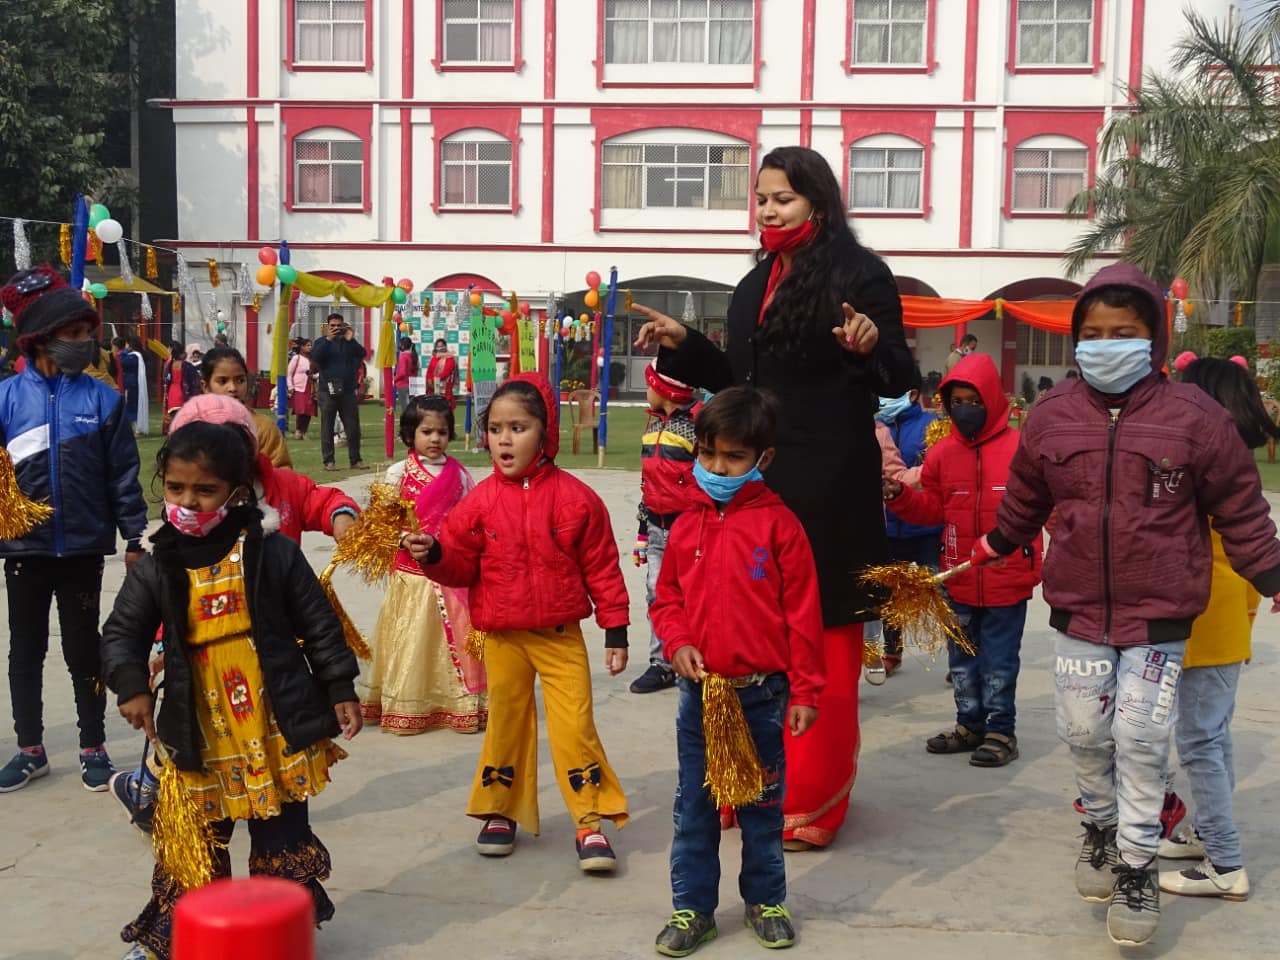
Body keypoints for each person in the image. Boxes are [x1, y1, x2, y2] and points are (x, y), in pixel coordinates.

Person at [978, 263, 1280, 946]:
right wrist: (999, 541)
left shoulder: (1196, 419)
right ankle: (1100, 826)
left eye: (1124, 332)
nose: (1106, 344)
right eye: (1093, 333)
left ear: (1154, 337)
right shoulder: (1052, 415)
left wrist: (1271, 574)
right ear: (1076, 338)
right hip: (1079, 610)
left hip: (1160, 615)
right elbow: (1026, 494)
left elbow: (1240, 506)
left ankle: (1137, 866)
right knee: (1085, 732)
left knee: (1142, 740)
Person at [634, 145, 913, 850]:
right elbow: (739, 376)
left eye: (782, 198)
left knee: (820, 638)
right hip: (753, 481)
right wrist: (684, 343)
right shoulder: (754, 281)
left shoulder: (860, 273)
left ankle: (811, 800)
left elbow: (898, 372)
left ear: (818, 202)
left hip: (827, 485)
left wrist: (868, 344)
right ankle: (742, 784)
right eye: (760, 199)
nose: (768, 210)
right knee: (742, 631)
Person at [101, 421, 362, 960]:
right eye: (176, 488)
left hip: (273, 725)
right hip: (196, 726)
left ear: (236, 491)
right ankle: (176, 938)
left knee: (281, 837)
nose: (187, 502)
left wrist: (339, 684)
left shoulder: (272, 551)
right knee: (194, 843)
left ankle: (278, 934)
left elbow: (318, 624)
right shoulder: (157, 562)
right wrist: (130, 685)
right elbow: (121, 633)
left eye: (205, 490)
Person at [405, 373, 630, 871]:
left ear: (545, 433)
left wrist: (616, 629)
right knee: (506, 723)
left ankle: (589, 821)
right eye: (495, 429)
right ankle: (500, 811)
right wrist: (435, 553)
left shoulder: (577, 499)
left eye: (518, 428)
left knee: (575, 727)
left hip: (560, 637)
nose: (504, 440)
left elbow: (603, 568)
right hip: (502, 638)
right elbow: (459, 564)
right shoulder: (479, 502)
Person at [649, 386, 825, 955]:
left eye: (733, 457)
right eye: (708, 454)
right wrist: (677, 642)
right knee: (694, 808)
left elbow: (803, 615)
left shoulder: (781, 526)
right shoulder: (685, 522)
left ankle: (765, 901)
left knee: (762, 809)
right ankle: (692, 909)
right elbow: (666, 598)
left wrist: (806, 690)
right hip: (700, 696)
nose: (718, 468)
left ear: (763, 458)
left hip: (763, 695)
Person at [0, 266, 148, 794]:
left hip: (83, 546)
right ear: (42, 338)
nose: (86, 343)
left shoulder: (104, 400)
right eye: (75, 333)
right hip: (25, 549)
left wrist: (135, 537)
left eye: (89, 333)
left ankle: (93, 746)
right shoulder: (6, 398)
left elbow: (123, 475)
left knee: (84, 650)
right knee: (25, 650)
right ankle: (30, 749)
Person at [1155, 356, 1280, 902]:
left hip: (1205, 617)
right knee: (1213, 735)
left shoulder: (1208, 468)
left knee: (1199, 741)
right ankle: (1207, 834)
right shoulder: (1233, 464)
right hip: (1226, 617)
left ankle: (1225, 863)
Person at [884, 353, 1042, 766]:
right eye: (956, 402)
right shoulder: (941, 454)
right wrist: (900, 498)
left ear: (991, 399)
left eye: (973, 400)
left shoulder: (1021, 449)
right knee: (962, 661)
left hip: (1007, 577)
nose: (964, 409)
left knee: (999, 662)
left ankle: (1001, 732)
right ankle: (969, 725)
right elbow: (932, 510)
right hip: (958, 576)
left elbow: (1041, 508)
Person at [361, 395, 485, 734]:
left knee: (454, 640)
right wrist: (404, 539)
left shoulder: (460, 475)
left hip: (449, 571)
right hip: (411, 576)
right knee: (414, 641)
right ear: (409, 434)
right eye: (427, 432)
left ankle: (456, 705)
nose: (435, 439)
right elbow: (379, 523)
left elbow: (471, 520)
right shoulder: (397, 473)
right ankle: (410, 705)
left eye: (442, 432)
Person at [629, 360, 698, 695]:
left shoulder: (697, 428)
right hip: (657, 528)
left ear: (664, 390)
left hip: (690, 529)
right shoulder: (652, 427)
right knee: (657, 593)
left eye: (649, 385)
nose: (646, 391)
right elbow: (649, 483)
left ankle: (696, 659)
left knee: (694, 595)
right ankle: (663, 664)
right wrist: (643, 531)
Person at [869, 366, 941, 680]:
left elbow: (940, 470)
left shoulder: (932, 427)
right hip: (889, 527)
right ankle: (891, 651)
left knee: (944, 592)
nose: (883, 400)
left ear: (912, 394)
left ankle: (961, 651)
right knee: (890, 593)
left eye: (889, 393)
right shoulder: (877, 428)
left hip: (925, 527)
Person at [198, 344, 292, 469]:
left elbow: (282, 472)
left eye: (240, 380)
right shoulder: (193, 426)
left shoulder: (263, 427)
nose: (233, 388)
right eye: (222, 381)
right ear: (205, 386)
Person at [311, 312, 367, 470]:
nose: (336, 328)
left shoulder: (348, 342)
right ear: (327, 327)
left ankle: (355, 460)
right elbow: (315, 357)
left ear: (343, 326)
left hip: (347, 391)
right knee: (327, 427)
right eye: (332, 326)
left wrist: (351, 339)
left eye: (338, 326)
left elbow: (362, 354)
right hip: (327, 390)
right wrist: (328, 339)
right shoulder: (321, 342)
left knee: (353, 427)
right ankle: (329, 461)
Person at [161, 342, 201, 433]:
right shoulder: (187, 365)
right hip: (182, 392)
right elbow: (194, 381)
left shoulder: (168, 364)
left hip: (171, 392)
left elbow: (165, 379)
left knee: (173, 415)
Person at [114, 335, 149, 435]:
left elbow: (123, 362)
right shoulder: (133, 355)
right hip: (130, 383)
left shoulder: (135, 356)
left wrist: (123, 352)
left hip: (132, 384)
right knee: (130, 406)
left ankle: (137, 428)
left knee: (132, 406)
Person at [287, 337, 318, 440]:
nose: (310, 347)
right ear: (302, 347)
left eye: (311, 345)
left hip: (311, 388)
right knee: (301, 409)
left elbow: (319, 372)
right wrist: (290, 386)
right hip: (299, 387)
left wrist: (314, 376)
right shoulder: (297, 358)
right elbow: (289, 373)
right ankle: (298, 430)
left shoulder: (313, 359)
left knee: (309, 410)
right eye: (307, 345)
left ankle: (304, 431)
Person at [426, 337, 459, 409]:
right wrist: (429, 380)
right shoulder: (434, 358)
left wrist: (434, 380)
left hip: (444, 388)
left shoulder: (450, 358)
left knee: (445, 409)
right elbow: (429, 371)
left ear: (445, 346)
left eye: (441, 346)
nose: (440, 348)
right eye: (438, 346)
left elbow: (446, 372)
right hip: (433, 388)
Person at [393, 336, 420, 414]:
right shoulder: (414, 355)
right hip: (412, 383)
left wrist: (395, 379)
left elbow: (402, 372)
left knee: (405, 408)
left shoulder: (403, 356)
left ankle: (408, 421)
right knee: (413, 407)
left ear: (403, 346)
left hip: (403, 384)